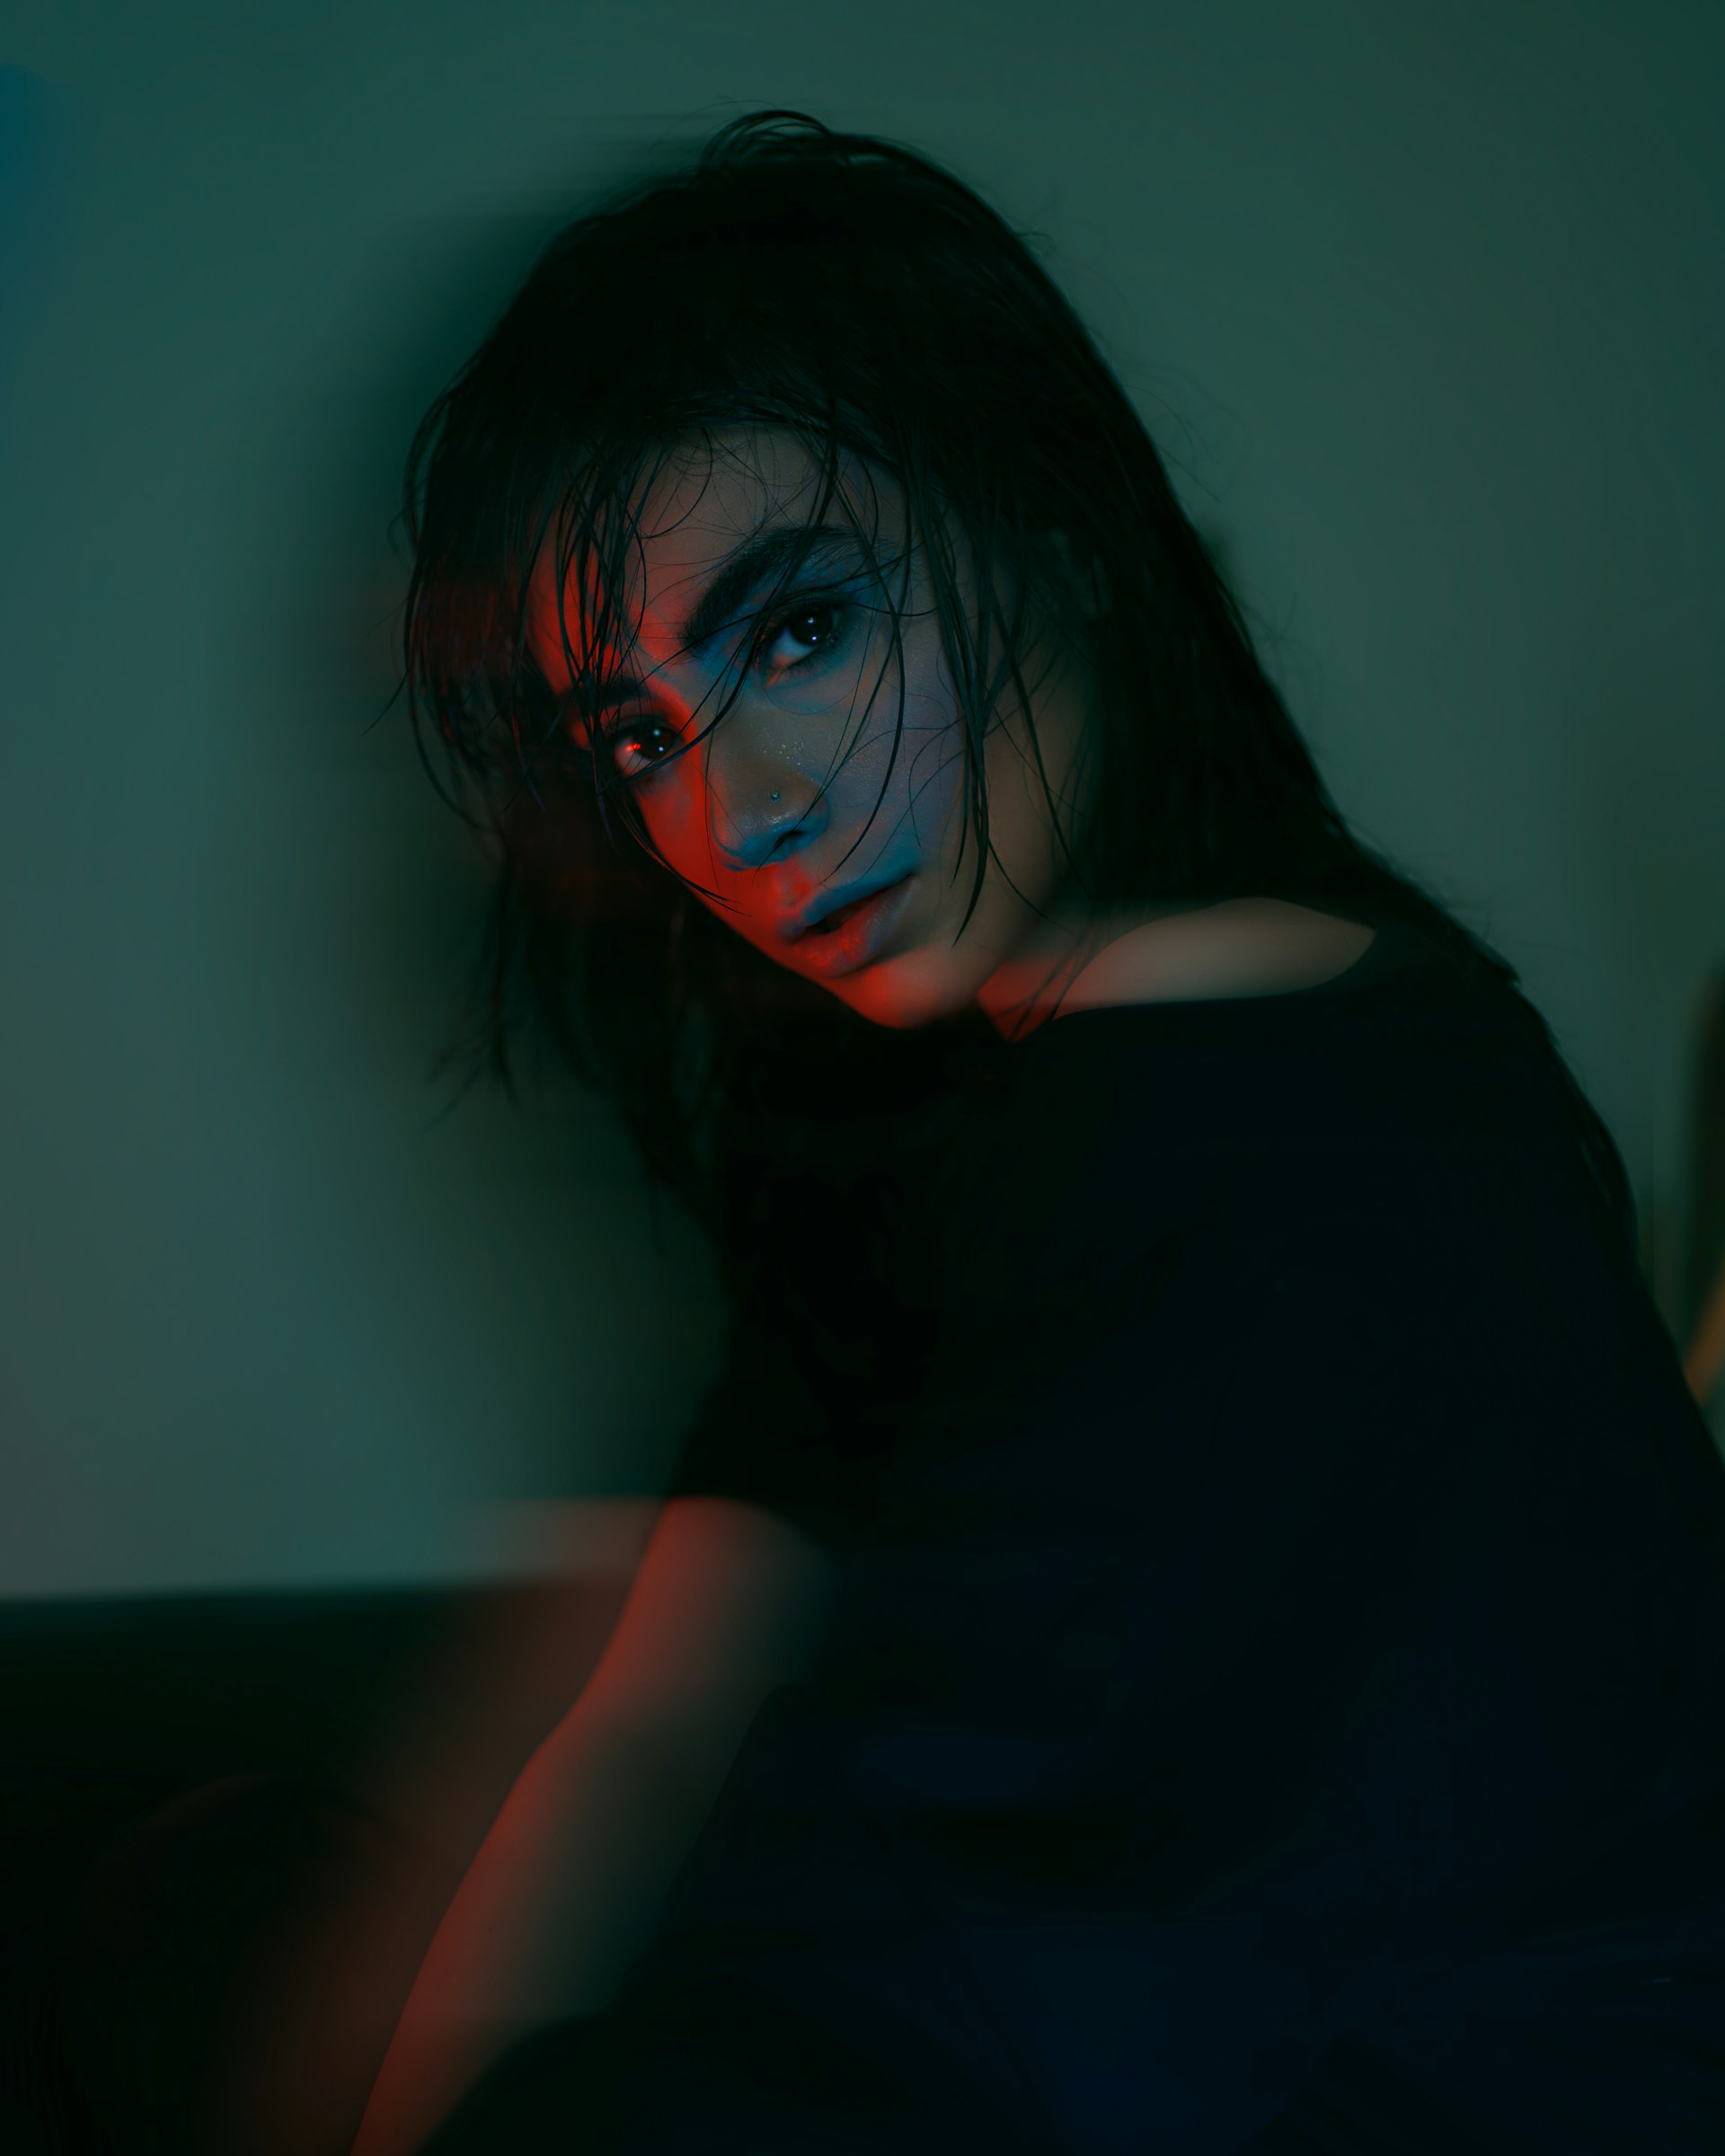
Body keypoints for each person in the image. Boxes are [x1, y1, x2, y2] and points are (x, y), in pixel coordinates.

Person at [347, 110, 1725, 2154]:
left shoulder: (1292, 1112)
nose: (738, 817)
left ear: (1056, 527)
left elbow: (949, 1986)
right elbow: (645, 1721)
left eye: (801, 628)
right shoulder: (918, 1122)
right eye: (638, 733)